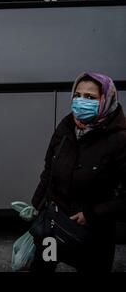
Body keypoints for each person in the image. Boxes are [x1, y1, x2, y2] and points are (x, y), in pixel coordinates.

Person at [30, 72, 126, 272]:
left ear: (105, 100)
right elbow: (49, 168)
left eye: (90, 97)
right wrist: (36, 204)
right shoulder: (66, 127)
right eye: (77, 95)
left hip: (92, 234)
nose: (81, 101)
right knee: (41, 267)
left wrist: (91, 215)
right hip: (55, 226)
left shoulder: (120, 140)